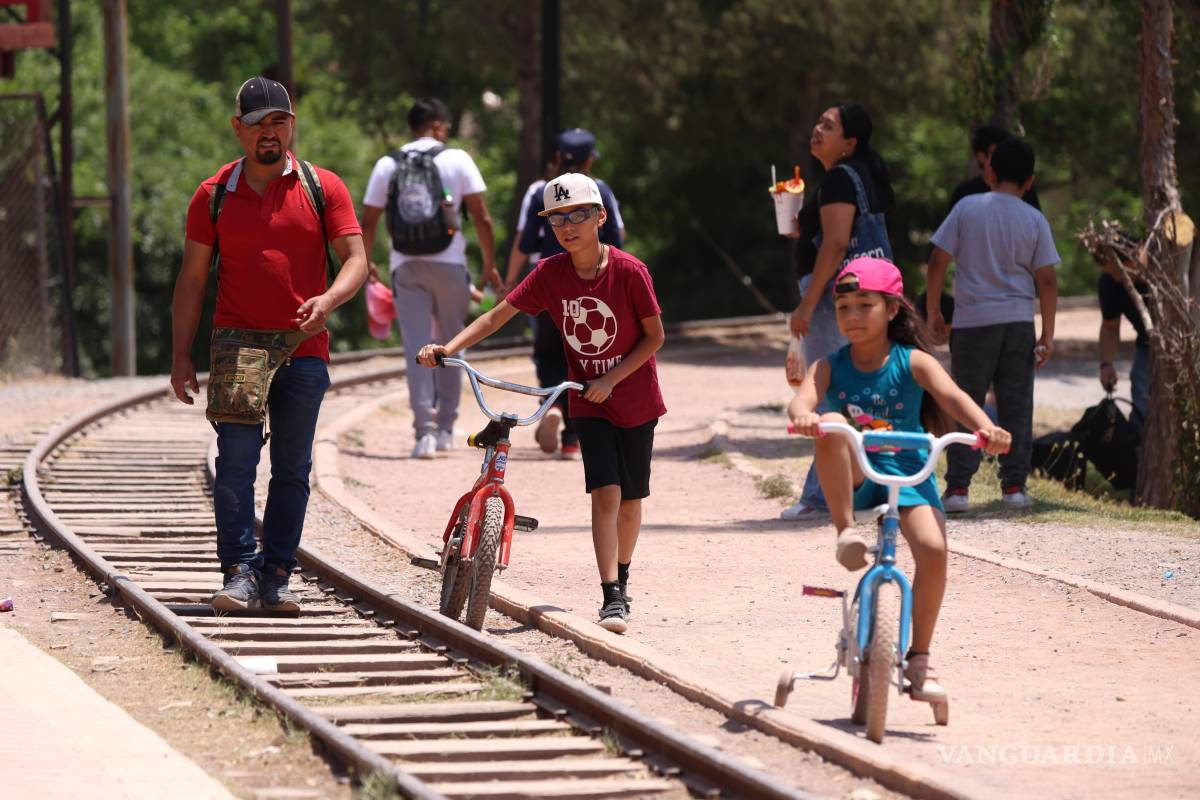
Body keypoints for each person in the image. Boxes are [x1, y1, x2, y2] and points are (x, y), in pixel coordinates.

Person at [418, 173, 664, 634]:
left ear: (600, 217)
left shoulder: (630, 271)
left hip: (634, 397)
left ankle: (624, 576)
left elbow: (655, 337)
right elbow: (496, 316)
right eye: (557, 219)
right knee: (605, 492)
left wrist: (611, 379)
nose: (568, 227)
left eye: (578, 215)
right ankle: (611, 595)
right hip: (586, 399)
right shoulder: (551, 273)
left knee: (631, 502)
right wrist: (448, 348)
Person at [170, 77, 367, 611]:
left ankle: (277, 573)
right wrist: (181, 354)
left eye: (280, 122)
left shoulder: (322, 186)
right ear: (238, 128)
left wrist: (328, 300)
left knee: (292, 468)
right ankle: (238, 571)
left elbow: (356, 261)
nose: (270, 133)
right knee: (235, 462)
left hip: (304, 347)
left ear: (291, 126)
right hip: (238, 346)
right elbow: (192, 279)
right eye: (259, 124)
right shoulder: (212, 195)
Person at [788, 257, 1011, 701]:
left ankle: (920, 657)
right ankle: (845, 533)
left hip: (910, 474)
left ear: (891, 310)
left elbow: (953, 396)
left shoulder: (914, 362)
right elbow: (802, 401)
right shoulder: (830, 365)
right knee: (832, 423)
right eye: (843, 307)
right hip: (859, 473)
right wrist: (805, 417)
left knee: (933, 550)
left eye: (864, 305)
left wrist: (987, 429)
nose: (852, 316)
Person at [361, 98, 502, 459]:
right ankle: (445, 430)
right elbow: (482, 216)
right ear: (438, 126)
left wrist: (366, 261)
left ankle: (423, 433)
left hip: (405, 266)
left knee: (416, 347)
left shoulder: (388, 164)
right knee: (452, 345)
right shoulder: (457, 159)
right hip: (450, 264)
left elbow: (369, 220)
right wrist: (489, 265)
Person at [926, 136, 1059, 512]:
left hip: (972, 322)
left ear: (989, 172)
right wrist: (1047, 334)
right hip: (1018, 323)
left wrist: (934, 311)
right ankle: (1014, 486)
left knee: (965, 402)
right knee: (1016, 404)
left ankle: (958, 489)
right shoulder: (1034, 218)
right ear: (1029, 182)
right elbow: (1047, 280)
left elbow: (937, 261)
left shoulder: (967, 208)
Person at [784, 103, 895, 520]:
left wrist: (808, 302)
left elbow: (835, 244)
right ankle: (860, 490)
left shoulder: (838, 180)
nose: (817, 129)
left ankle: (821, 497)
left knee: (828, 394)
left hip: (835, 299)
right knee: (853, 394)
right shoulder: (857, 177)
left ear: (849, 142)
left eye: (828, 126)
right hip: (866, 294)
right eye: (818, 122)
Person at [505, 129, 625, 458]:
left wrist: (510, 281)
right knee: (583, 357)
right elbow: (617, 238)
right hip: (590, 289)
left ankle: (553, 405)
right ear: (589, 161)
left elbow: (524, 242)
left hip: (546, 286)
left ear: (557, 157)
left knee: (547, 354)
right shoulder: (599, 191)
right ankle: (572, 437)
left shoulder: (539, 191)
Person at [1096, 250, 1150, 437]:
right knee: (1141, 388)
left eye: (1119, 270)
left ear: (1138, 255)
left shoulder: (1166, 273)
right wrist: (1106, 365)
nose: (1116, 278)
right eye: (1110, 273)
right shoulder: (1110, 283)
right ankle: (1139, 444)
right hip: (1147, 345)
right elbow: (1110, 327)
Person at [948, 124, 1041, 211]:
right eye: (995, 153)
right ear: (981, 157)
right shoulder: (964, 194)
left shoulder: (1024, 190)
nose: (1002, 157)